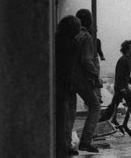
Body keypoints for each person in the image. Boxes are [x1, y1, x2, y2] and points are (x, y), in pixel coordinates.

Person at [99, 40, 131, 133]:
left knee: (112, 107)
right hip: (121, 88)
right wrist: (122, 88)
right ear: (127, 49)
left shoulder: (127, 59)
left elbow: (126, 75)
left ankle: (99, 124)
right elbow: (119, 75)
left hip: (121, 87)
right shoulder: (123, 60)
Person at [71, 9, 102, 153]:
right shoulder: (87, 37)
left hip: (68, 77)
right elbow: (86, 60)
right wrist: (96, 77)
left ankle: (65, 143)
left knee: (69, 111)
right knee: (95, 106)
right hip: (80, 78)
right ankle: (85, 142)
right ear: (89, 22)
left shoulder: (72, 35)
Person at [55, 15, 81, 157]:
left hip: (54, 85)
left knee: (59, 120)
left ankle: (60, 146)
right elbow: (70, 69)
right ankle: (63, 147)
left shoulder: (55, 40)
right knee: (65, 119)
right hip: (65, 87)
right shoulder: (72, 45)